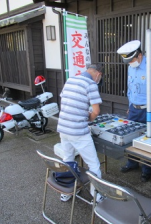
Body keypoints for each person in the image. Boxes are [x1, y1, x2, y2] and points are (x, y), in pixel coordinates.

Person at [117, 40, 151, 182]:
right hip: (134, 109)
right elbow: (131, 88)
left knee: (148, 140)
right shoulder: (131, 67)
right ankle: (132, 163)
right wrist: (130, 105)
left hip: (150, 111)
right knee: (131, 137)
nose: (129, 63)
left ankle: (147, 169)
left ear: (139, 55)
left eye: (131, 59)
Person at [57, 63, 104, 201]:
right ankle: (96, 196)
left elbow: (67, 102)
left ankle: (66, 191)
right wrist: (88, 118)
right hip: (78, 131)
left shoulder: (70, 79)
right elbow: (96, 111)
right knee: (94, 164)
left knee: (68, 159)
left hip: (63, 128)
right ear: (98, 74)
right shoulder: (91, 84)